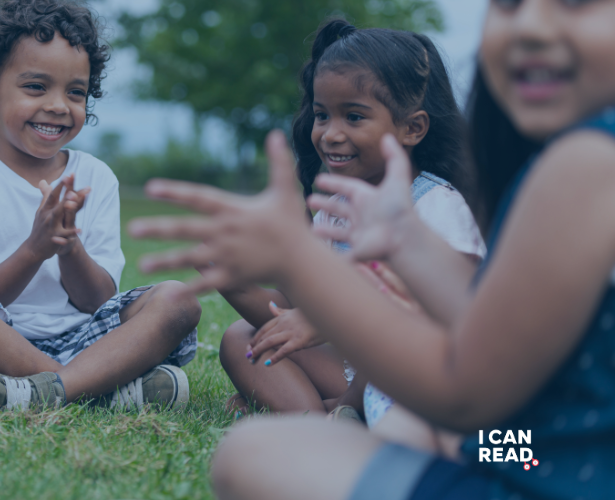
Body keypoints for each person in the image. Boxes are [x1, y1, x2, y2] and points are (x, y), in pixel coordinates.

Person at [130, 0, 615, 497]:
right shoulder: (568, 159)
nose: (532, 24)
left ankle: (335, 419)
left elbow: (466, 388)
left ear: (414, 128)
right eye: (509, 4)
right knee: (394, 421)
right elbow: (488, 325)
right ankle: (342, 418)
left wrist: (303, 269)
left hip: (538, 459)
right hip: (531, 442)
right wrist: (398, 241)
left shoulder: (582, 167)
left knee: (251, 452)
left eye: (575, 3)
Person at [0, 0, 201, 411]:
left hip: (85, 340)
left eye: (75, 92)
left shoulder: (95, 177)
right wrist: (34, 250)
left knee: (179, 299)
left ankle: (42, 392)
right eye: (36, 87)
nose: (59, 106)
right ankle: (99, 390)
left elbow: (97, 301)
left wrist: (68, 247)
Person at [217, 20, 484, 437]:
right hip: (350, 367)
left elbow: (455, 314)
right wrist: (229, 277)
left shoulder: (437, 205)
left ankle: (333, 413)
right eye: (322, 115)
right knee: (243, 339)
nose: (329, 134)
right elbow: (289, 310)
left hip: (412, 372)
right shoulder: (335, 206)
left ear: (412, 128)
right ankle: (323, 421)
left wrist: (328, 320)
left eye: (354, 117)